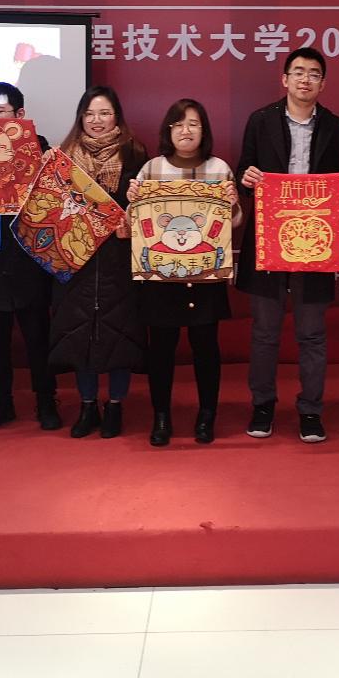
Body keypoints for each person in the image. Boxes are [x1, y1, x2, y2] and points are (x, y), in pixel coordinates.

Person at [236, 48, 339, 443]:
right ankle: (262, 405)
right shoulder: (260, 120)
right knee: (264, 332)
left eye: (313, 74)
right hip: (268, 239)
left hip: (316, 242)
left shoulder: (337, 128)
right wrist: (248, 177)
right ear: (285, 79)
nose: (305, 79)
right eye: (298, 72)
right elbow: (243, 170)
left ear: (323, 83)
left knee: (312, 333)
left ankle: (311, 409)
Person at [127, 98, 242, 447]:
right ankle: (161, 416)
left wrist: (232, 204)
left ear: (204, 131)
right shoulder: (152, 169)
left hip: (204, 277)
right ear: (168, 130)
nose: (186, 131)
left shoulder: (219, 169)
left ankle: (207, 416)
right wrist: (133, 200)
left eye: (193, 124)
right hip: (161, 278)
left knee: (206, 348)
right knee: (161, 349)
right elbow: (134, 225)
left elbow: (235, 222)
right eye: (178, 124)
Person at [48, 86, 148, 439]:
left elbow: (147, 210)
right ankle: (87, 405)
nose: (96, 120)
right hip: (76, 260)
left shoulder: (136, 154)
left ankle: (116, 405)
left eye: (104, 113)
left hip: (119, 261)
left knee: (119, 335)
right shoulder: (64, 157)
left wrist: (131, 214)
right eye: (89, 114)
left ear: (117, 116)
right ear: (81, 118)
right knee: (80, 335)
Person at [0, 82, 61, 432]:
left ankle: (46, 401)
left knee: (37, 333)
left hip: (28, 251)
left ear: (20, 115)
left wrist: (50, 168)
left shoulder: (41, 149)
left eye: (0, 111)